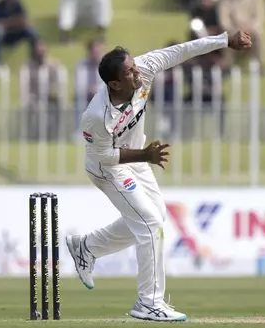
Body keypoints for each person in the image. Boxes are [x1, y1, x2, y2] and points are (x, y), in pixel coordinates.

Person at [65, 30, 252, 322]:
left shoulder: (145, 68)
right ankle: (149, 303)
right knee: (150, 224)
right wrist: (146, 156)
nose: (136, 72)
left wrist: (225, 40)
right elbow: (105, 157)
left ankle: (87, 247)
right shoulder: (95, 116)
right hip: (108, 168)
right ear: (114, 83)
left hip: (137, 156)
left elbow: (183, 50)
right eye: (128, 72)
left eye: (133, 65)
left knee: (155, 218)